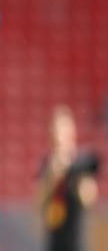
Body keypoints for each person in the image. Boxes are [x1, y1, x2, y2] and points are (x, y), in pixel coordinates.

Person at [37, 105, 99, 251]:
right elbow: (38, 203)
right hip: (54, 242)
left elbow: (88, 199)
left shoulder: (81, 162)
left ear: (71, 133)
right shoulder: (47, 163)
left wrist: (76, 177)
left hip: (75, 242)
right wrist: (53, 177)